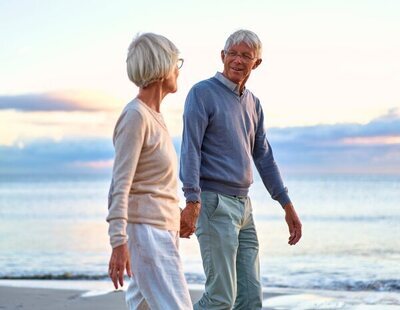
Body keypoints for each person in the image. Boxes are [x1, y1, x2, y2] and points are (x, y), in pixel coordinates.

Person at [179, 29, 302, 309]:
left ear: (256, 63)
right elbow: (190, 149)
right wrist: (192, 200)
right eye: (232, 53)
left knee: (249, 299)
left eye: (246, 56)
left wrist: (287, 205)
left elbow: (264, 157)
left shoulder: (253, 104)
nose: (238, 60)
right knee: (221, 297)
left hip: (244, 208)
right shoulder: (202, 93)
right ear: (222, 56)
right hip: (213, 204)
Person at [106, 32, 192, 310]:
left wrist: (176, 218)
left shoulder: (155, 117)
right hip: (147, 232)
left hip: (162, 229)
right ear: (160, 66)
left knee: (142, 307)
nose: (178, 70)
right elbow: (120, 184)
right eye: (175, 63)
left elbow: (156, 184)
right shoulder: (136, 117)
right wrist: (118, 241)